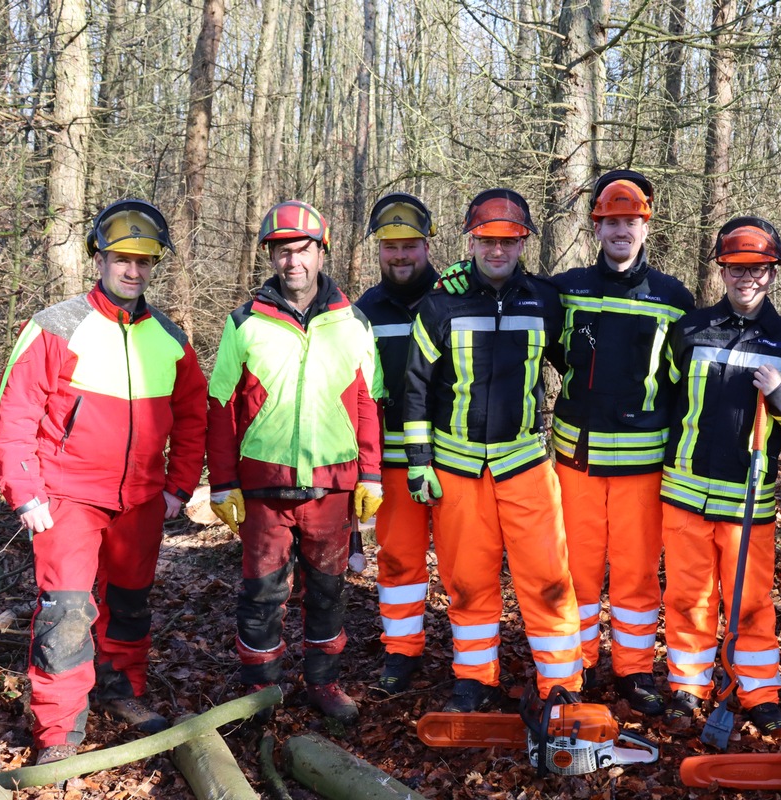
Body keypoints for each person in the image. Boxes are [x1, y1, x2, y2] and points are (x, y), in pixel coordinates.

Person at [0, 199, 207, 765]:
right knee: (65, 609)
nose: (132, 271)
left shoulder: (170, 337)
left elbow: (193, 417)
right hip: (65, 497)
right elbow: (14, 414)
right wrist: (25, 489)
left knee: (130, 604)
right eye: (121, 259)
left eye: (143, 261)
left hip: (141, 500)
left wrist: (179, 486)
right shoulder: (55, 326)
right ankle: (58, 732)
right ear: (100, 258)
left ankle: (120, 688)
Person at [401, 188, 583, 712]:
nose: (497, 250)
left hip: (526, 463)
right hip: (456, 469)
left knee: (548, 577)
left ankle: (561, 683)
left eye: (509, 240)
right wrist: (419, 463)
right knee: (468, 580)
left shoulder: (546, 300)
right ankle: (474, 678)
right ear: (472, 240)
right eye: (487, 240)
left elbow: (572, 364)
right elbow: (416, 386)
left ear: (523, 241)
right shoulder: (440, 302)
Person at [206, 200, 384, 724]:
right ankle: (260, 688)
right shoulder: (244, 323)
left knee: (328, 590)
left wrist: (370, 474)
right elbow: (220, 408)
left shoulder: (352, 322)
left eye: (303, 249)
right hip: (265, 487)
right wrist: (222, 483)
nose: (293, 262)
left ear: (320, 252)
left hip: (331, 487)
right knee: (262, 594)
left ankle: (322, 682)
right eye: (283, 251)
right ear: (272, 256)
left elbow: (369, 403)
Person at [660, 217, 781, 739]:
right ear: (722, 270)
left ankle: (758, 690)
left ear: (772, 273)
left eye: (756, 269)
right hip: (683, 489)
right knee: (688, 596)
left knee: (750, 602)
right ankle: (689, 684)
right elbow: (666, 399)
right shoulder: (689, 330)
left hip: (747, 499)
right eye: (735, 268)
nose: (745, 278)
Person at [548, 170, 694, 716]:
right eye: (611, 221)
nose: (621, 230)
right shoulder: (567, 291)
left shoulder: (674, 297)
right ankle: (578, 662)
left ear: (646, 226)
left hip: (642, 464)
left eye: (630, 221)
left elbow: (683, 381)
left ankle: (633, 670)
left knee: (634, 573)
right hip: (576, 460)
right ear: (596, 228)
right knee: (578, 569)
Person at [354, 192, 440, 695]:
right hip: (389, 461)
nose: (401, 255)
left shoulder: (452, 296)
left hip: (451, 459)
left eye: (410, 244)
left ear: (427, 245)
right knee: (399, 558)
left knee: (462, 565)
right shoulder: (363, 311)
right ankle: (401, 650)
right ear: (378, 251)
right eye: (391, 246)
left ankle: (473, 657)